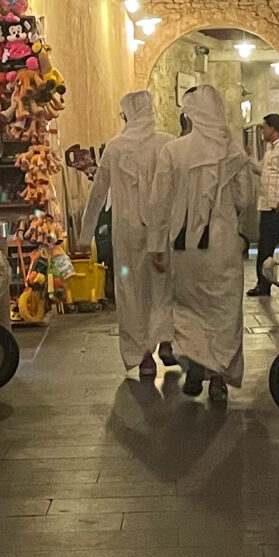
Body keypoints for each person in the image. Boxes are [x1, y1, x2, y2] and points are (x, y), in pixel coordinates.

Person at [147, 83, 256, 403]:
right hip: (221, 245)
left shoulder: (174, 151)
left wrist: (156, 245)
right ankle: (219, 375)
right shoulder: (233, 151)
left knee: (188, 309)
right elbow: (245, 198)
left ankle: (193, 365)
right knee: (223, 310)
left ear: (191, 113)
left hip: (184, 247)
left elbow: (158, 202)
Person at [79, 90, 174, 377]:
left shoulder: (116, 148)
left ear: (127, 115)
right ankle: (167, 340)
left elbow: (97, 195)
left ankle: (144, 356)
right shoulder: (168, 143)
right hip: (163, 230)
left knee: (132, 291)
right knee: (164, 286)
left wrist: (85, 237)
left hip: (128, 232)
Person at [250, 114, 279, 296]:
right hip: (266, 205)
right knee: (265, 247)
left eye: (264, 127)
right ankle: (263, 284)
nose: (262, 131)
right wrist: (248, 159)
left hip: (277, 206)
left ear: (273, 128)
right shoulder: (270, 150)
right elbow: (264, 171)